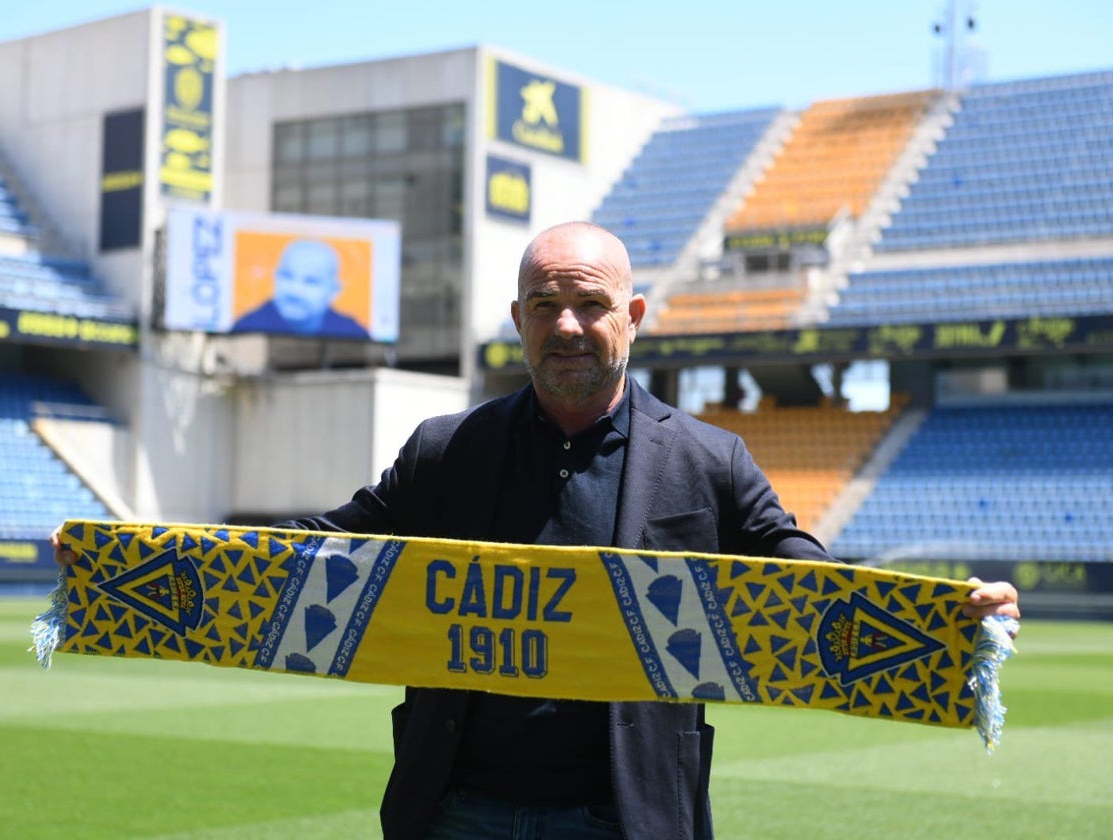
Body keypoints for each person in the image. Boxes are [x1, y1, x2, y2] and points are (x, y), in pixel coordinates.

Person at [56, 221, 1019, 839]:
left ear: (632, 318)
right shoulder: (446, 449)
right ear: (518, 318)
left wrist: (946, 618)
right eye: (547, 304)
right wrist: (133, 564)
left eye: (591, 304)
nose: (568, 324)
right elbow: (327, 549)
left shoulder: (710, 458)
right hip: (456, 809)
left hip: (626, 811)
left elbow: (800, 578)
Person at [233, 238, 370, 338]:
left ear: (334, 290)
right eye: (287, 276)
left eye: (311, 282)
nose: (295, 291)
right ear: (276, 276)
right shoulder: (247, 323)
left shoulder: (351, 329)